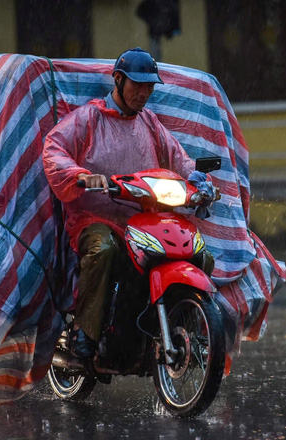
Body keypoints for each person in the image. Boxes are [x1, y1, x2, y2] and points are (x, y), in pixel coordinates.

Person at [43, 47, 205, 357]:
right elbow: (54, 149)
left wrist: (198, 180)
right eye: (137, 85)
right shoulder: (89, 117)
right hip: (96, 220)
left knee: (198, 253)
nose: (144, 93)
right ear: (118, 79)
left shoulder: (150, 122)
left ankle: (182, 329)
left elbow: (178, 158)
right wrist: (81, 175)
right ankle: (85, 335)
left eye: (150, 86)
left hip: (145, 222)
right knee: (103, 250)